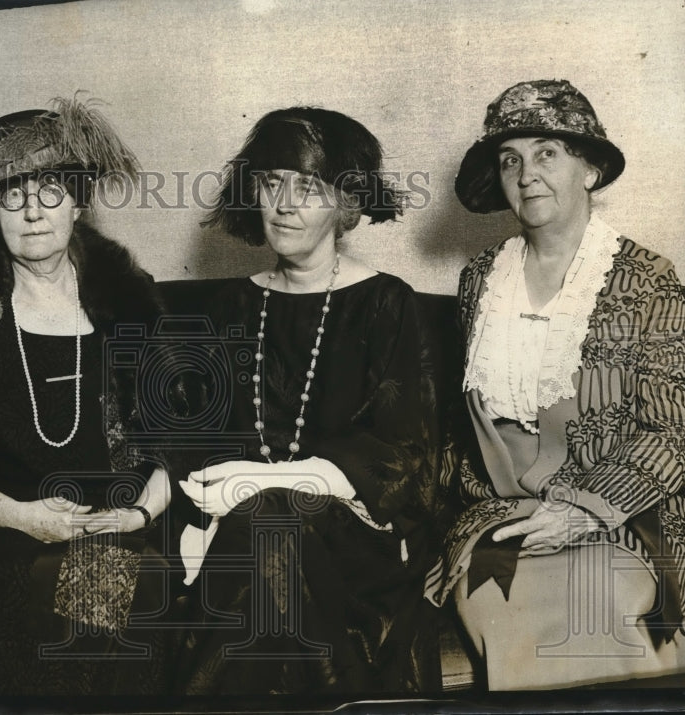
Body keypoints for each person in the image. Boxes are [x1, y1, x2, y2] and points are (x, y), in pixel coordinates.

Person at [425, 79, 685, 689]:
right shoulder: (480, 279)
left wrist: (585, 510)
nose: (526, 173)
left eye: (547, 152)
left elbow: (675, 428)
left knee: (595, 614)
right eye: (510, 158)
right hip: (503, 520)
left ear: (590, 170)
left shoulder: (648, 280)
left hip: (621, 516)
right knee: (501, 601)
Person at [174, 107, 442, 695]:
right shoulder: (230, 308)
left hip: (357, 542)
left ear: (344, 204)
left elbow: (408, 456)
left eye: (308, 188)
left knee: (271, 522)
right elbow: (193, 438)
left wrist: (273, 484)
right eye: (272, 184)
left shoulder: (385, 304)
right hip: (247, 538)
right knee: (267, 527)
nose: (285, 204)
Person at [0, 97, 183, 696]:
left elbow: (182, 435)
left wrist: (141, 511)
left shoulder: (129, 303)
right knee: (61, 584)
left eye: (50, 190)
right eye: (13, 194)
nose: (33, 212)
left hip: (122, 520)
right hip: (8, 530)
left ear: (77, 201)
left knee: (132, 569)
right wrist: (22, 517)